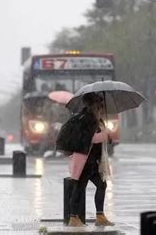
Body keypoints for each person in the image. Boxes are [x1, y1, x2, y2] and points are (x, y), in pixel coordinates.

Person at [68, 92, 114, 227]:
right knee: (79, 188)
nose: (101, 107)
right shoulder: (85, 119)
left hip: (92, 161)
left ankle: (99, 216)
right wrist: (104, 135)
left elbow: (99, 136)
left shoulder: (95, 119)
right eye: (99, 105)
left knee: (101, 185)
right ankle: (73, 218)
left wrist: (108, 137)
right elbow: (91, 138)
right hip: (84, 161)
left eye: (101, 105)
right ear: (92, 105)